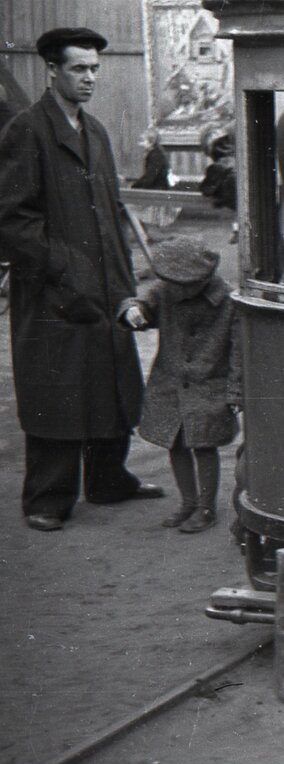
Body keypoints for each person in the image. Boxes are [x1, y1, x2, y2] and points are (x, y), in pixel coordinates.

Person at [0, 27, 164, 531]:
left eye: (94, 68)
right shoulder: (28, 129)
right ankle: (47, 499)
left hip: (105, 283)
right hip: (54, 289)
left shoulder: (95, 131)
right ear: (52, 70)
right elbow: (13, 219)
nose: (90, 77)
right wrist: (65, 270)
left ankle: (109, 479)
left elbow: (109, 214)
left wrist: (120, 286)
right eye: (78, 68)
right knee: (58, 389)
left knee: (110, 379)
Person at [120, 237, 241, 534]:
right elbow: (140, 303)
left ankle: (206, 506)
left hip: (209, 385)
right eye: (172, 282)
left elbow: (239, 350)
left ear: (203, 278)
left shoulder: (228, 301)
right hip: (171, 382)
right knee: (175, 443)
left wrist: (236, 391)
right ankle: (188, 502)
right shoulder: (167, 290)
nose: (177, 289)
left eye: (184, 284)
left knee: (204, 445)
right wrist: (132, 310)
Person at [130, 125, 171, 190]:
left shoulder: (156, 155)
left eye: (144, 141)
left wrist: (133, 186)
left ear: (150, 142)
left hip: (158, 190)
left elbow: (150, 177)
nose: (141, 144)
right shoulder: (156, 152)